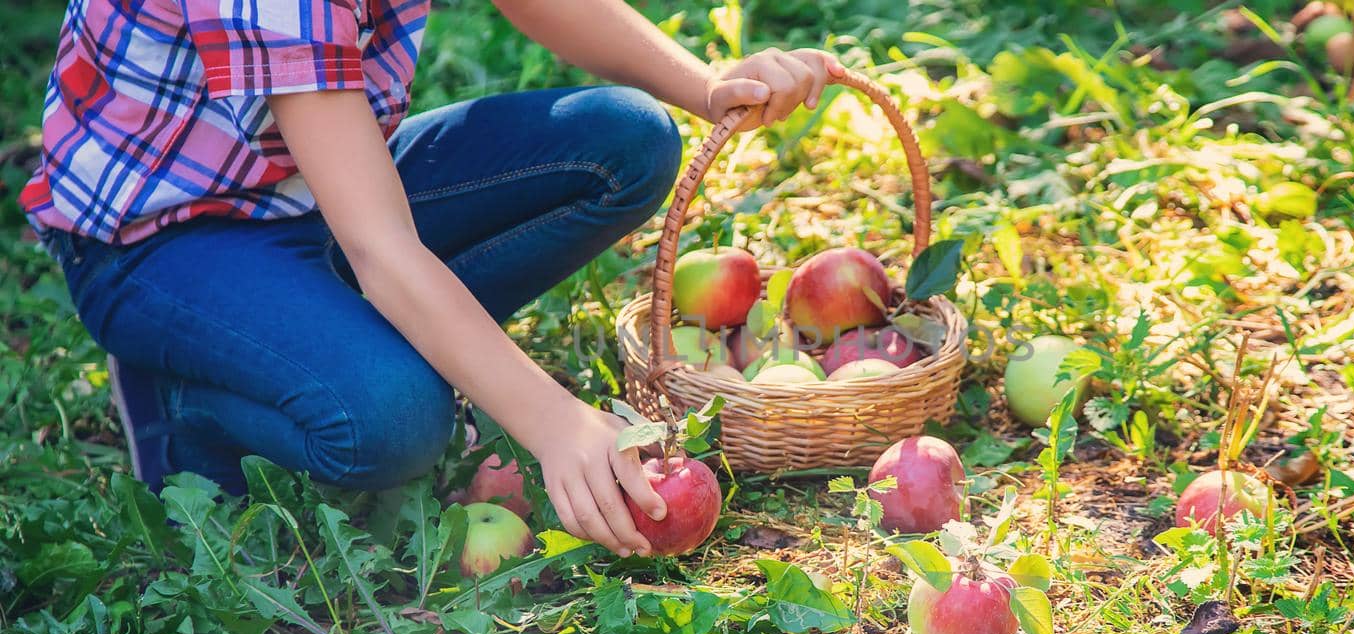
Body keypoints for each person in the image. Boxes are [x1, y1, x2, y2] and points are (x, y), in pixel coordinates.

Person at [19, 0, 843, 558]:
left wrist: (706, 84)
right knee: (398, 420)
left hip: (322, 184)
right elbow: (382, 246)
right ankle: (179, 391)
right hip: (165, 240)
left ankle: (335, 331)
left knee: (622, 143)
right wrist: (553, 422)